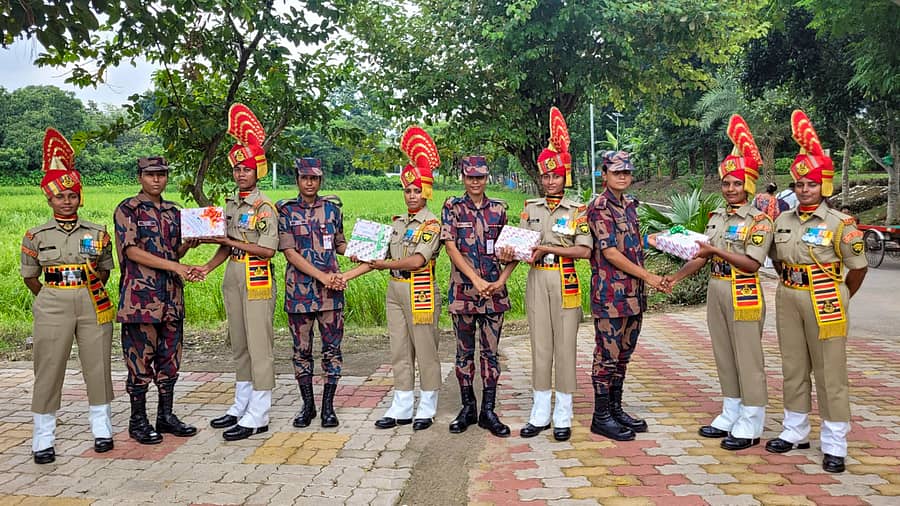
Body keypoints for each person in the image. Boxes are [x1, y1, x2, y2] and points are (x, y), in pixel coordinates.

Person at [765, 110, 867, 473]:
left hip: (826, 299)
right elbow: (776, 258)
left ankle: (835, 441)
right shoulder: (782, 220)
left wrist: (841, 295)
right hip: (788, 295)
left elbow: (858, 268)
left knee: (829, 371)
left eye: (811, 184)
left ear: (824, 186)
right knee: (793, 366)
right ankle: (795, 430)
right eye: (799, 184)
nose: (804, 189)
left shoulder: (840, 224)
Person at [663, 115, 772, 451]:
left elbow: (752, 263)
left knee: (748, 356)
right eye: (726, 184)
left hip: (743, 290)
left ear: (748, 185)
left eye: (737, 184)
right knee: (723, 353)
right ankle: (731, 411)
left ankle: (752, 420)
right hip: (717, 288)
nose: (730, 189)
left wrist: (714, 251)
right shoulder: (717, 218)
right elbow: (702, 255)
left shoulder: (759, 221)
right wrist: (675, 277)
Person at [21, 128, 116, 464]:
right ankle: (43, 438)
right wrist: (52, 295)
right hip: (52, 302)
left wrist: (86, 286)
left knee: (98, 364)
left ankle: (102, 430)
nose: (66, 201)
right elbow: (31, 277)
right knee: (48, 367)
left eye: (72, 195)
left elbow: (105, 270)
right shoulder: (36, 235)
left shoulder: (97, 232)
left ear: (80, 197)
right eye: (60, 196)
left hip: (92, 301)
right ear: (49, 200)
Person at [344, 126, 443, 431]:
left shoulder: (431, 224)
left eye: (417, 191)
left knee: (425, 349)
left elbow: (417, 260)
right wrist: (347, 273)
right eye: (407, 191)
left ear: (426, 192)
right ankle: (401, 404)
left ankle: (427, 404)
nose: (412, 196)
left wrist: (383, 263)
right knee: (399, 349)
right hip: (395, 289)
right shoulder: (398, 224)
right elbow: (376, 257)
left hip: (420, 289)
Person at [501, 108, 591, 442]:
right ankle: (540, 410)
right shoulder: (531, 208)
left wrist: (548, 248)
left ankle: (563, 411)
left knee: (565, 345)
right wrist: (508, 254)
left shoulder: (577, 211)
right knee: (540, 344)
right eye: (546, 176)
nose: (551, 181)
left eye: (556, 176)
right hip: (537, 278)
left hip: (565, 278)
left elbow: (584, 251)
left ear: (565, 177)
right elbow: (521, 245)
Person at [201, 104, 278, 440]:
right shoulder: (232, 204)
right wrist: (207, 266)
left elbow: (267, 249)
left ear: (257, 171)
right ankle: (241, 404)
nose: (241, 174)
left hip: (256, 275)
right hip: (232, 274)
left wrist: (229, 240)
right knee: (240, 342)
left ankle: (259, 412)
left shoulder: (264, 207)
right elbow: (226, 245)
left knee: (259, 343)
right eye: (237, 169)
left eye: (246, 169)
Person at [114, 156, 203, 445]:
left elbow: (173, 252)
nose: (156, 179)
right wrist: (176, 266)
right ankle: (138, 421)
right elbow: (131, 251)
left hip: (171, 298)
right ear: (140, 176)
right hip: (140, 300)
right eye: (150, 174)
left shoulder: (173, 211)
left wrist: (187, 245)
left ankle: (165, 416)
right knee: (139, 362)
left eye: (162, 174)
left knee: (170, 360)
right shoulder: (128, 209)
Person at [586, 150, 668, 441]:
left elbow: (629, 242)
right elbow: (609, 252)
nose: (622, 176)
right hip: (610, 295)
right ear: (604, 174)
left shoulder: (630, 205)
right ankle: (601, 416)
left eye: (626, 172)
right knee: (606, 356)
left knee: (623, 355)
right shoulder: (599, 207)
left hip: (634, 295)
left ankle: (615, 409)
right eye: (616, 172)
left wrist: (656, 240)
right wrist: (649, 277)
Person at [442, 155, 517, 437]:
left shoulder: (499, 209)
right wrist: (475, 279)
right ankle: (468, 408)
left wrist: (500, 280)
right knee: (464, 353)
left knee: (490, 354)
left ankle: (488, 410)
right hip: (464, 292)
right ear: (463, 177)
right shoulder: (453, 207)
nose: (475, 182)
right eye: (470, 177)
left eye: (480, 177)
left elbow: (513, 250)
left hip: (494, 294)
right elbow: (450, 247)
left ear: (487, 178)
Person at [278, 157, 348, 428]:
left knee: (332, 350)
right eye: (305, 178)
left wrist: (364, 250)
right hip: (300, 293)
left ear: (320, 180)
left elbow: (339, 243)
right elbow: (289, 252)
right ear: (297, 179)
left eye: (314, 178)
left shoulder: (332, 210)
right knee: (301, 351)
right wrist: (322, 277)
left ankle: (328, 407)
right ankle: (307, 406)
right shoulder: (286, 211)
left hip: (331, 295)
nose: (309, 183)